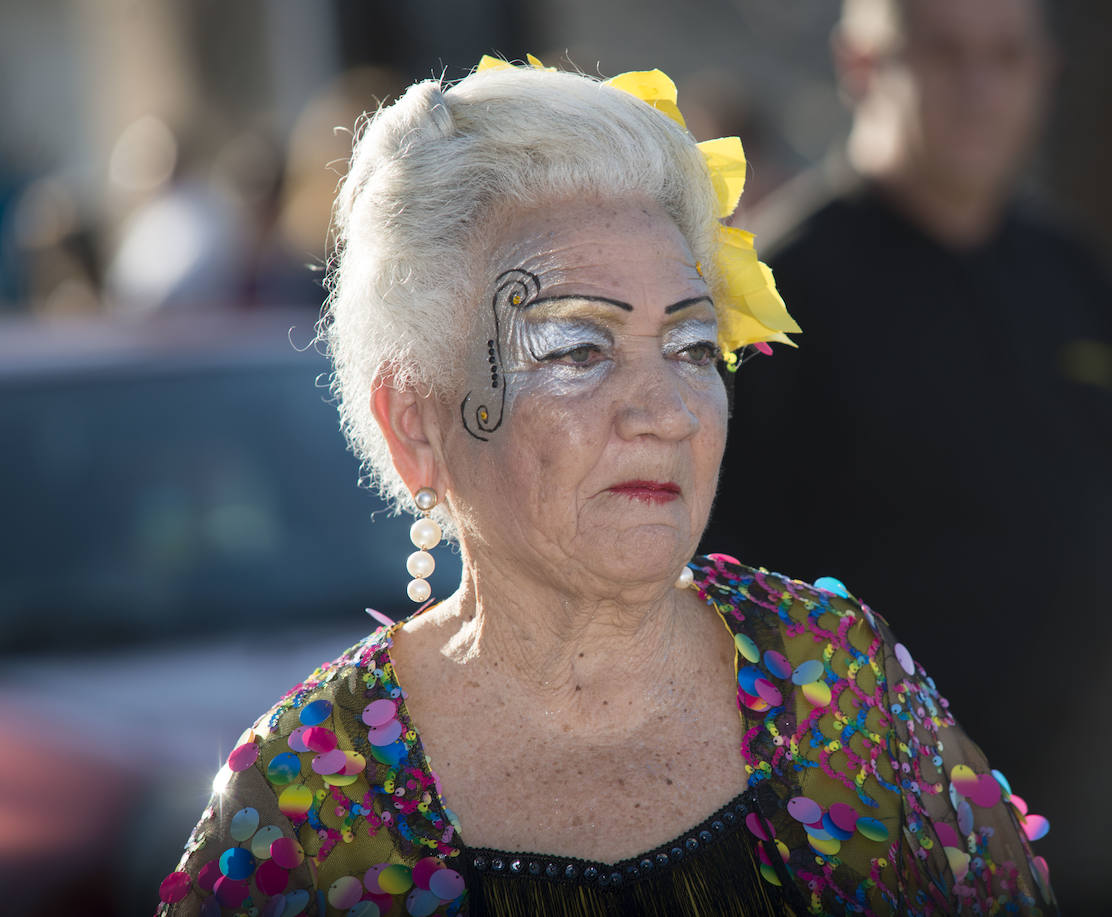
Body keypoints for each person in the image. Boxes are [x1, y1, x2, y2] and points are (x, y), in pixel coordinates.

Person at [155, 57, 1056, 917]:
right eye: (579, 349)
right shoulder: (309, 800)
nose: (666, 411)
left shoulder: (839, 683)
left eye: (692, 345)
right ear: (415, 424)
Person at [707, 0, 1112, 913]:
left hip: (1103, 828)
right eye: (943, 56)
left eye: (1005, 57)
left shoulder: (1077, 280)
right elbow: (711, 590)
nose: (978, 91)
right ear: (861, 65)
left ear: (1043, 74)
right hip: (886, 843)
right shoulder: (780, 301)